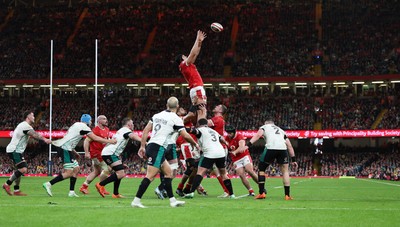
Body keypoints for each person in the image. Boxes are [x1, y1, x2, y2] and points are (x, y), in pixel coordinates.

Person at [131, 97, 200, 208]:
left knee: (169, 173)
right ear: (177, 106)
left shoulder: (157, 115)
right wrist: (195, 144)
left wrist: (142, 146)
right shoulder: (175, 118)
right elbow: (185, 135)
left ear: (167, 105)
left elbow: (146, 130)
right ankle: (136, 200)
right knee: (150, 176)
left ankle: (173, 201)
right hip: (158, 148)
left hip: (153, 146)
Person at [42, 114, 116, 197]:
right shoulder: (85, 127)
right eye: (90, 120)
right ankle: (49, 184)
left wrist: (75, 152)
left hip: (67, 148)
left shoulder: (75, 124)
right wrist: (110, 141)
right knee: (69, 172)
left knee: (76, 169)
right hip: (65, 149)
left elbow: (69, 138)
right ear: (87, 121)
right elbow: (95, 138)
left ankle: (71, 192)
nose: (91, 122)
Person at [2, 111, 51, 196]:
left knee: (19, 170)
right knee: (23, 169)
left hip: (15, 150)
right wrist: (45, 139)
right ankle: (7, 184)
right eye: (32, 115)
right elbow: (35, 134)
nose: (34, 117)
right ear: (27, 117)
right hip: (14, 150)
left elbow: (32, 136)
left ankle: (16, 190)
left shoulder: (25, 126)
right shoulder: (25, 125)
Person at [247, 118, 298, 200]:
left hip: (271, 148)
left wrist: (248, 145)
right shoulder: (281, 130)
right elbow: (289, 145)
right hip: (283, 149)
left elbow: (258, 135)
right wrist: (294, 159)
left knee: (261, 169)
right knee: (285, 171)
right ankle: (287, 195)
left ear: (266, 123)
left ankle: (261, 193)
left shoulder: (264, 127)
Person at [183, 118, 235, 199]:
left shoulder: (200, 130)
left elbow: (191, 130)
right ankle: (232, 194)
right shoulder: (213, 131)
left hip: (209, 153)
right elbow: (222, 139)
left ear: (199, 124)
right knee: (224, 174)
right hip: (220, 153)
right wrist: (226, 144)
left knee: (200, 172)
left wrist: (181, 128)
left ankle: (191, 192)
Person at [95, 117, 141, 198]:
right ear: (129, 124)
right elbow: (133, 136)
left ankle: (115, 194)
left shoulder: (121, 130)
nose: (133, 125)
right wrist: (144, 141)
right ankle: (100, 184)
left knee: (119, 172)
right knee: (121, 173)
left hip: (110, 153)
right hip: (110, 153)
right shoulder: (126, 130)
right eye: (132, 123)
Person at [175, 30, 207, 124]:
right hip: (197, 89)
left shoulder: (187, 65)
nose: (186, 56)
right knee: (202, 112)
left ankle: (183, 121)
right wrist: (197, 39)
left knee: (196, 114)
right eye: (185, 56)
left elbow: (195, 54)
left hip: (195, 89)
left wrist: (200, 42)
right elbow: (192, 53)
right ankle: (180, 122)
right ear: (182, 59)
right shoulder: (183, 64)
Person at [154, 107, 185, 199]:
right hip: (170, 145)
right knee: (173, 172)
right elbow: (190, 115)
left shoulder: (167, 118)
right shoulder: (176, 119)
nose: (183, 111)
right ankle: (160, 188)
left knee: (164, 169)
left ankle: (163, 189)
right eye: (181, 110)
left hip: (163, 144)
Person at [80, 115, 112, 195]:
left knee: (97, 172)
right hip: (97, 154)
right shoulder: (95, 130)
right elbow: (86, 141)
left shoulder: (107, 129)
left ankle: (84, 187)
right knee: (108, 168)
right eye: (104, 119)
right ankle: (101, 186)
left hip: (102, 153)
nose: (106, 120)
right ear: (99, 121)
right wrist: (86, 152)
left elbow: (106, 141)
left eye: (106, 118)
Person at [225, 125, 258, 196]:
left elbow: (241, 147)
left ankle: (261, 185)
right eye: (228, 133)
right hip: (236, 159)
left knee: (250, 171)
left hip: (244, 156)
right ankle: (251, 191)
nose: (229, 134)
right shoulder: (227, 138)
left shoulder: (239, 136)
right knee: (241, 175)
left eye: (230, 133)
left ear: (234, 132)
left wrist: (235, 152)